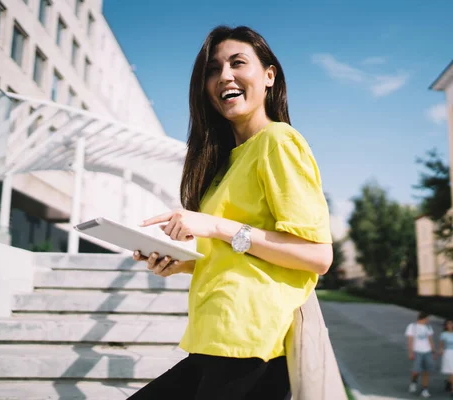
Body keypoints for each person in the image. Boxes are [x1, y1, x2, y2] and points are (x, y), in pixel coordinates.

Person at [128, 25, 333, 400]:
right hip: (214, 340)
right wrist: (182, 262)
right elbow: (241, 251)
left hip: (250, 344)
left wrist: (215, 225)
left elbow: (317, 255)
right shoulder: (224, 165)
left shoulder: (279, 141)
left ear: (269, 76)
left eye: (238, 63)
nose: (224, 76)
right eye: (212, 69)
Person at [405, 312, 436, 398]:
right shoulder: (412, 326)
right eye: (427, 318)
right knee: (416, 370)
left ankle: (425, 389)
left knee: (426, 371)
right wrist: (410, 352)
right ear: (423, 318)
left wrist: (433, 352)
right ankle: (413, 382)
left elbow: (430, 340)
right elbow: (410, 341)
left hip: (427, 351)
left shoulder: (428, 327)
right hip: (417, 351)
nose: (428, 320)